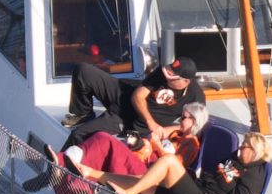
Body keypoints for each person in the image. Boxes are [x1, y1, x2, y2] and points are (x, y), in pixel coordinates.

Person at [112, 130, 272, 194]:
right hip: (199, 193)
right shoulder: (236, 159)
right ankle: (97, 176)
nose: (240, 148)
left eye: (244, 146)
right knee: (142, 181)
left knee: (169, 161)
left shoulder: (253, 178)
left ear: (254, 151)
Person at [66, 53, 203, 150]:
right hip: (125, 95)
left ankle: (57, 171)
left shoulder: (195, 96)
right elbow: (138, 96)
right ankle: (84, 113)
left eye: (172, 77)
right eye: (168, 72)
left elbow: (197, 125)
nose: (167, 78)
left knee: (78, 134)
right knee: (83, 70)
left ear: (186, 81)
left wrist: (166, 129)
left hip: (127, 119)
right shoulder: (161, 73)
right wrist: (151, 122)